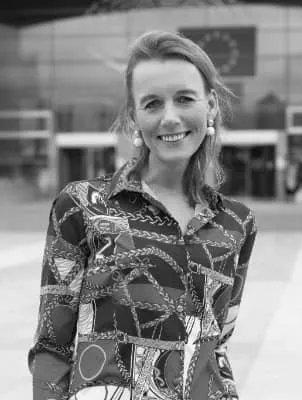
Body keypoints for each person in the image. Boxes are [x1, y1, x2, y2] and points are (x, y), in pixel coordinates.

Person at [28, 30, 257, 400]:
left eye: (185, 99)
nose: (170, 118)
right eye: (152, 104)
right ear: (133, 116)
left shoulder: (237, 222)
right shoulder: (81, 205)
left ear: (211, 105)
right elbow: (52, 347)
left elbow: (217, 345)